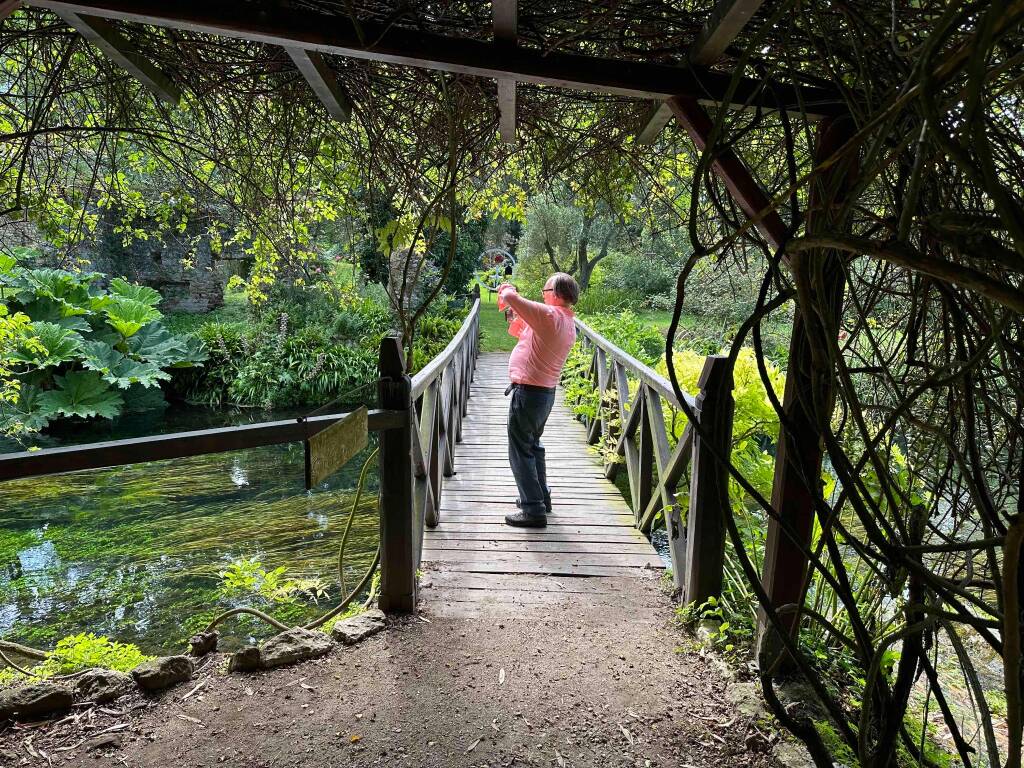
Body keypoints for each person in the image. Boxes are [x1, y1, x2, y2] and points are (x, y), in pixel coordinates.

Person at [496, 272, 580, 528]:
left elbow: (510, 295)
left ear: (555, 294)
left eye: (545, 291)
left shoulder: (549, 315)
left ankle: (533, 510)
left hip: (529, 393)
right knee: (533, 446)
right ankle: (541, 497)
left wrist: (506, 287)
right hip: (544, 394)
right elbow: (528, 336)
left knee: (520, 451)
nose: (542, 296)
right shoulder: (566, 322)